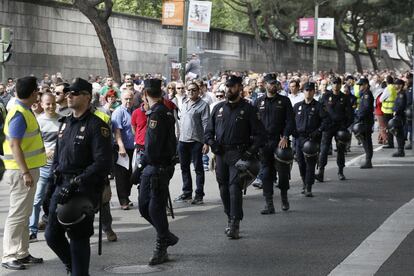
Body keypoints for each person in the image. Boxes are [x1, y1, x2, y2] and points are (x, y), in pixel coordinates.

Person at [44, 78, 112, 275]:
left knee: (77, 237)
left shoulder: (97, 126)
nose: (69, 95)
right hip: (60, 185)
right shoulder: (65, 124)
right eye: (68, 92)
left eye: (74, 92)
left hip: (82, 188)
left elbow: (102, 163)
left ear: (87, 97)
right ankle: (72, 266)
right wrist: (49, 188)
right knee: (51, 235)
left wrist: (76, 183)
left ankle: (79, 272)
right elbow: (57, 159)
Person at [204, 75, 265, 239]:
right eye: (227, 86)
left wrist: (249, 153)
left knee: (234, 187)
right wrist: (211, 143)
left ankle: (235, 222)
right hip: (221, 153)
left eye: (232, 86)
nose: (228, 89)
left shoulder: (248, 109)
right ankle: (230, 216)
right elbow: (208, 131)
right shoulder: (218, 108)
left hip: (238, 153)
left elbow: (260, 135)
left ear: (239, 88)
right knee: (223, 187)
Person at [1, 76, 46, 271]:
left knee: (24, 213)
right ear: (33, 92)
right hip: (22, 172)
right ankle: (10, 254)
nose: (39, 93)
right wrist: (25, 171)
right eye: (37, 90)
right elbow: (14, 144)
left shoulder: (25, 110)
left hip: (26, 170)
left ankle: (22, 252)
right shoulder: (19, 113)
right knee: (18, 214)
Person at [137, 79, 179, 265]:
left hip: (157, 167)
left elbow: (152, 148)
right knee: (144, 206)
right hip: (153, 167)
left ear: (145, 93)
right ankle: (166, 235)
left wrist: (139, 167)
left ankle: (162, 244)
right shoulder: (159, 111)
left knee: (154, 207)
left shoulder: (158, 114)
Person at [256, 74, 295, 214]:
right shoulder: (259, 101)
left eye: (275, 83)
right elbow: (254, 123)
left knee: (283, 173)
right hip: (264, 143)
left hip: (280, 142)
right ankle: (269, 204)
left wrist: (285, 136)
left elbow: (290, 121)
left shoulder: (284, 101)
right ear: (265, 85)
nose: (273, 86)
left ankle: (284, 197)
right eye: (270, 83)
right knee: (266, 173)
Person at [28, 93, 61, 243]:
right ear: (41, 104)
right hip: (43, 166)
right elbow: (33, 143)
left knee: (58, 199)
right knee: (37, 198)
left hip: (59, 166)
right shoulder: (38, 121)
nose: (51, 106)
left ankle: (57, 227)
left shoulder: (62, 120)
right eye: (48, 104)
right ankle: (32, 229)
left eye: (53, 103)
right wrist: (44, 151)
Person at [174, 81, 210, 204]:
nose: (190, 92)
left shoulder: (203, 105)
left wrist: (206, 142)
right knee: (184, 168)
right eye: (188, 90)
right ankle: (187, 193)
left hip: (196, 141)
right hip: (183, 141)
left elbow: (206, 124)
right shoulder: (184, 103)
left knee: (198, 169)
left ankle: (199, 195)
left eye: (193, 90)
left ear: (198, 91)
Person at [294, 82, 330, 197]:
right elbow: (291, 121)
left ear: (314, 92)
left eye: (310, 90)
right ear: (303, 91)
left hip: (312, 139)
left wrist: (318, 131)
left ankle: (308, 186)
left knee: (310, 163)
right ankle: (304, 182)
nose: (308, 92)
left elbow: (326, 120)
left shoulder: (319, 106)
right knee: (300, 162)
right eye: (306, 90)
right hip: (299, 138)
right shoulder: (297, 106)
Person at [316, 77, 354, 182]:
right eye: (334, 83)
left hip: (340, 128)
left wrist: (345, 126)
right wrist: (323, 124)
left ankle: (340, 171)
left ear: (340, 85)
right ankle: (321, 172)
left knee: (341, 150)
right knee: (323, 150)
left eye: (338, 83)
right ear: (331, 84)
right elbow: (320, 111)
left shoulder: (345, 98)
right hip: (328, 127)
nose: (336, 85)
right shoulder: (325, 96)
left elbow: (350, 114)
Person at [111, 90, 135, 210]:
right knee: (121, 176)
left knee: (130, 174)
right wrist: (121, 146)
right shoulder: (118, 112)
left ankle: (127, 196)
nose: (128, 101)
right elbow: (117, 131)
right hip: (121, 149)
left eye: (130, 98)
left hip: (132, 148)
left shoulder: (132, 111)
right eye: (126, 99)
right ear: (121, 99)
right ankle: (123, 200)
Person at [354, 78, 374, 168]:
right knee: (365, 140)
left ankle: (368, 160)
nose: (359, 87)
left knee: (366, 141)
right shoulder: (364, 94)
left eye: (361, 85)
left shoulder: (367, 95)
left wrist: (359, 117)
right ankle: (368, 160)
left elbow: (366, 108)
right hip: (364, 120)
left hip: (366, 121)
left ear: (366, 85)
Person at [380, 76, 397, 149]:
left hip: (387, 110)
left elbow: (381, 99)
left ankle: (390, 143)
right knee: (392, 127)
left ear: (387, 82)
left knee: (388, 127)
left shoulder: (388, 88)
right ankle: (391, 143)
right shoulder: (394, 87)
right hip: (393, 110)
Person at [391, 79, 407, 157]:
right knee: (398, 133)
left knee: (399, 134)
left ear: (401, 85)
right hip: (398, 116)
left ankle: (400, 151)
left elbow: (401, 105)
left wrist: (395, 111)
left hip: (399, 116)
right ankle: (400, 150)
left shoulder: (401, 94)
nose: (394, 86)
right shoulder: (399, 93)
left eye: (396, 84)